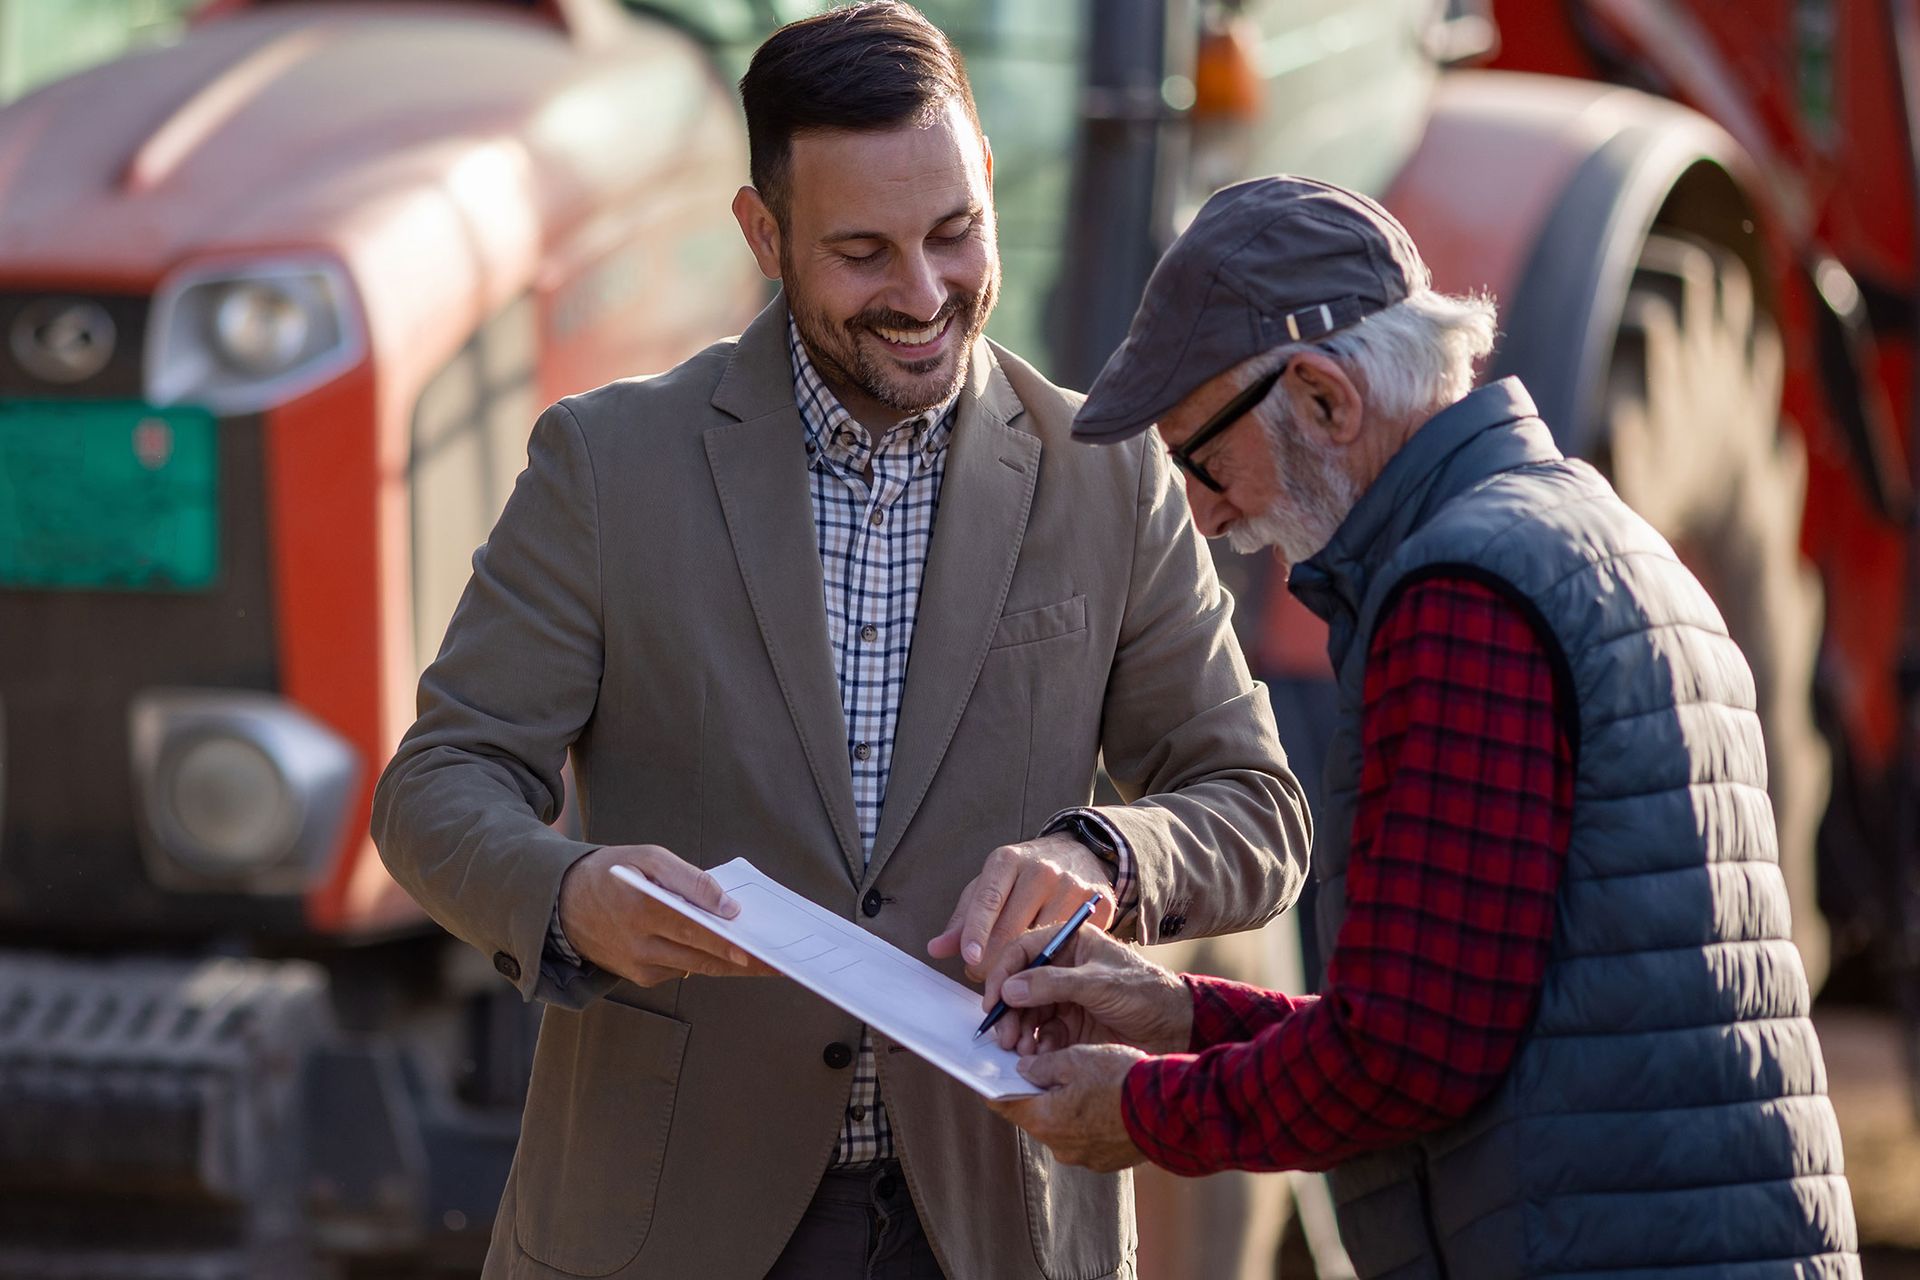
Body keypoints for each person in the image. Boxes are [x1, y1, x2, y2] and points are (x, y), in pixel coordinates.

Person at [371, 7, 1311, 1278]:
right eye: (864, 251)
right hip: (667, 1220)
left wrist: (1103, 848)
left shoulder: (1111, 477)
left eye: (955, 234)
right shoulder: (605, 466)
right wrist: (568, 897)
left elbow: (1257, 809)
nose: (925, 296)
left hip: (996, 1215)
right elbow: (439, 784)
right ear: (764, 236)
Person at [984, 175, 1861, 1278]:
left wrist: (1145, 1111)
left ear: (1322, 398)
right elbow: (1450, 999)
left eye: (1199, 459)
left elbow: (1409, 1056)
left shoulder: (1461, 595)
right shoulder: (1590, 542)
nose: (1204, 511)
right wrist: (1174, 1010)